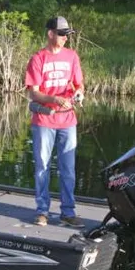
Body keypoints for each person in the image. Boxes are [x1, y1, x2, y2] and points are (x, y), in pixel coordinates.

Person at [24, 16, 86, 227]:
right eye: (62, 34)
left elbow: (79, 85)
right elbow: (34, 93)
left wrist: (79, 94)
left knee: (68, 168)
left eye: (67, 34)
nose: (65, 38)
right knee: (42, 167)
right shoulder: (38, 58)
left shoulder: (72, 57)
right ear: (50, 34)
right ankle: (42, 211)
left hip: (68, 121)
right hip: (44, 121)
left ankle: (68, 212)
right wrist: (53, 99)